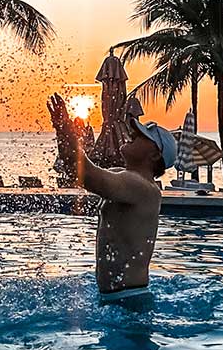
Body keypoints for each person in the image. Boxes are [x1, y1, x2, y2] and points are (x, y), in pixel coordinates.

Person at [47, 93, 176, 303]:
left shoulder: (143, 188)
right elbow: (76, 170)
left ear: (154, 155)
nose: (132, 134)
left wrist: (64, 128)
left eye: (141, 136)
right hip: (116, 299)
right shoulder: (123, 176)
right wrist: (63, 130)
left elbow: (85, 174)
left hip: (130, 302)